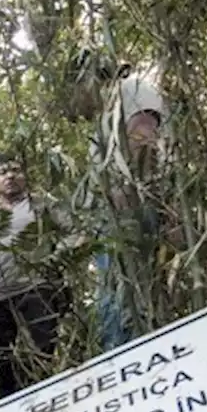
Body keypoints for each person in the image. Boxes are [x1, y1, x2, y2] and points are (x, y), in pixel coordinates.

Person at [77, 53, 167, 351]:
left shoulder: (132, 88)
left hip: (128, 206)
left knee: (127, 297)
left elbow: (144, 137)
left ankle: (133, 357)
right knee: (112, 295)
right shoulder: (108, 107)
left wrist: (126, 190)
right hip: (108, 212)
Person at [0, 153, 83, 402]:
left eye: (16, 170)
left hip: (37, 287)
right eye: (3, 172)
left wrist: (55, 259)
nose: (10, 175)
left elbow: (75, 232)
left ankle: (42, 407)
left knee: (40, 354)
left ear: (25, 177)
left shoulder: (42, 204)